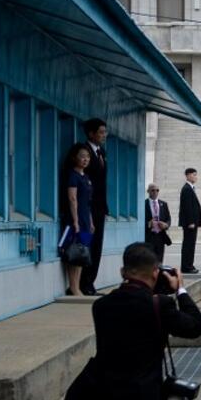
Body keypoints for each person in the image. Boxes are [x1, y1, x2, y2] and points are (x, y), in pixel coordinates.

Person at [61, 243, 201, 400]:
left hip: (98, 393)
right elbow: (195, 328)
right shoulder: (159, 305)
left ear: (122, 272)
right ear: (156, 273)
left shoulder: (101, 306)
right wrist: (181, 291)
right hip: (141, 399)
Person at [59, 144, 95, 296]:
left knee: (82, 253)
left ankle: (77, 286)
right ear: (75, 157)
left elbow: (87, 202)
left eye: (87, 157)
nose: (85, 159)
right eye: (82, 156)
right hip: (75, 220)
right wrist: (75, 221)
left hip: (86, 219)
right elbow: (72, 198)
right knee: (72, 251)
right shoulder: (72, 176)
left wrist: (91, 221)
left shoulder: (86, 177)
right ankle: (72, 286)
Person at [79, 118, 109, 295]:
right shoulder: (85, 152)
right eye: (101, 132)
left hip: (100, 206)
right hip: (88, 208)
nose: (104, 135)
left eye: (105, 132)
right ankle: (84, 283)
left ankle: (90, 282)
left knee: (97, 245)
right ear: (91, 133)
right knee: (87, 244)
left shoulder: (101, 152)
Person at [178, 168, 201, 274]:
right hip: (190, 224)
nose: (195, 177)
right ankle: (187, 266)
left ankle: (188, 265)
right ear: (188, 176)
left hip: (192, 223)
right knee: (189, 244)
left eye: (196, 175)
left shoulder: (190, 188)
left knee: (190, 244)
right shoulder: (187, 189)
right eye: (193, 175)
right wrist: (191, 222)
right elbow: (187, 207)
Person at [144, 184, 172, 263]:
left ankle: (159, 274)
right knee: (149, 259)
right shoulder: (143, 204)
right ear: (148, 191)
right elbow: (140, 220)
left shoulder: (163, 204)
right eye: (153, 190)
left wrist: (166, 225)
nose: (155, 192)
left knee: (160, 259)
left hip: (160, 235)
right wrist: (148, 224)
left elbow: (168, 218)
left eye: (157, 190)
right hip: (149, 236)